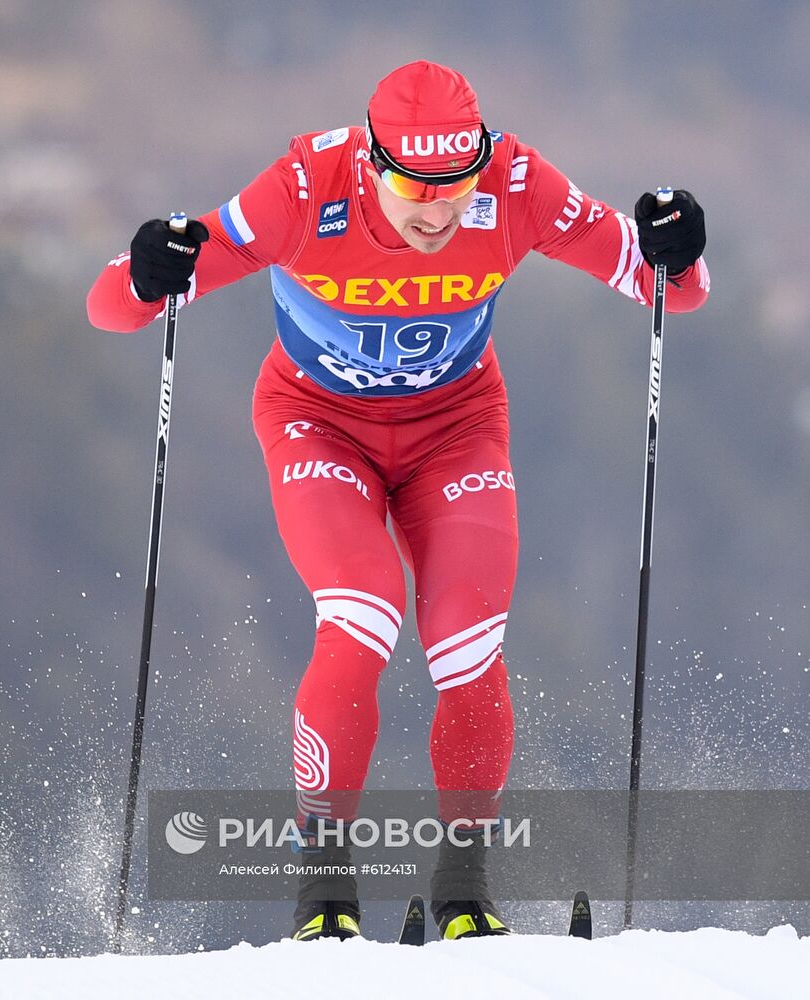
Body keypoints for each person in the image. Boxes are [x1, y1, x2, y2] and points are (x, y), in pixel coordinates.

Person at [88, 60, 708, 941]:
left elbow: (670, 290)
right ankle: (324, 894)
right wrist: (146, 270)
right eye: (416, 189)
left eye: (456, 188)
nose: (438, 212)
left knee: (467, 640)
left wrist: (675, 246)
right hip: (317, 422)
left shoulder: (519, 184)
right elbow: (113, 309)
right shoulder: (303, 187)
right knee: (364, 612)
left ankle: (464, 892)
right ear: (373, 165)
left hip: (456, 429)